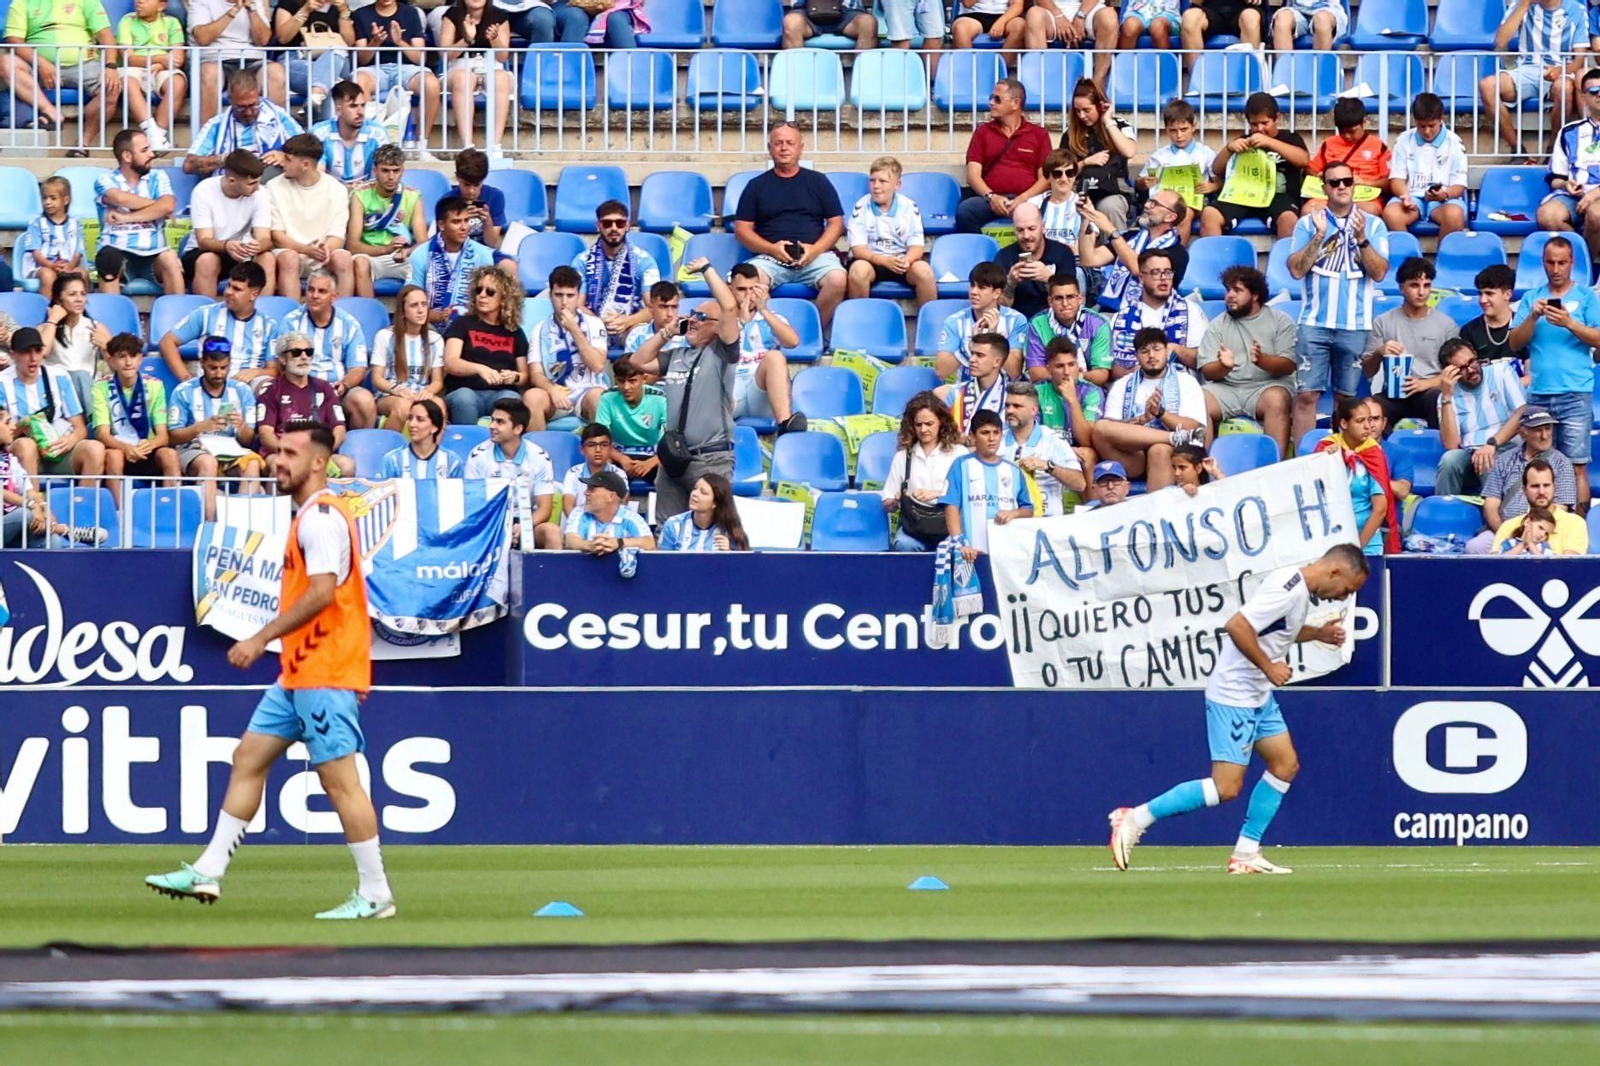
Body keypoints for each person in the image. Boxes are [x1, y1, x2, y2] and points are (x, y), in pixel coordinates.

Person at [145, 420, 396, 921]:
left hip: (324, 670)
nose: (279, 460)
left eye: (291, 453)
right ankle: (208, 870)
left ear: (319, 462)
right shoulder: (310, 514)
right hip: (300, 671)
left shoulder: (320, 518)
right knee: (249, 757)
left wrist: (260, 637)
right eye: (277, 451)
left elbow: (324, 593)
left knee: (340, 783)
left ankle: (375, 894)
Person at [1108, 544, 1369, 876]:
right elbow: (1237, 626)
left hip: (1257, 695)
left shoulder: (1297, 588)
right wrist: (1269, 667)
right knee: (1226, 787)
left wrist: (1317, 633)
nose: (1340, 597)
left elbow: (1277, 630)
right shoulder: (1288, 588)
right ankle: (1134, 817)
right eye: (1346, 589)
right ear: (1335, 571)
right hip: (1235, 694)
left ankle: (1246, 853)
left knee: (1285, 764)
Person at [1286, 159, 1391, 449]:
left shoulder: (1375, 224)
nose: (1342, 187)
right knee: (1307, 395)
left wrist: (1362, 240)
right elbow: (1295, 269)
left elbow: (1380, 272)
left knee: (1347, 400)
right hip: (1315, 321)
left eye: (1347, 181)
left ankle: (1345, 457)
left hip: (1354, 324)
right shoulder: (1308, 223)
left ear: (1354, 183)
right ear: (1325, 187)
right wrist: (1319, 236)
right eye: (1334, 182)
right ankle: (1306, 459)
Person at [630, 261, 743, 521]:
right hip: (674, 459)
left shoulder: (722, 353)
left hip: (711, 458)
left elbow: (729, 306)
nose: (692, 320)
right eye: (692, 314)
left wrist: (707, 269)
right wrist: (666, 333)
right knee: (667, 528)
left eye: (701, 318)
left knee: (712, 529)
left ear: (718, 327)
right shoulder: (677, 355)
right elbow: (637, 362)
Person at [1509, 233, 1600, 510]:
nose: (1556, 269)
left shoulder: (1586, 297)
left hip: (1575, 393)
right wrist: (1533, 317)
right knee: (1540, 469)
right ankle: (1541, 527)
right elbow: (1514, 343)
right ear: (1543, 263)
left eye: (1562, 262)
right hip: (1539, 394)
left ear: (1572, 263)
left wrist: (1570, 323)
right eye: (1550, 262)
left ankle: (1579, 529)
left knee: (1576, 468)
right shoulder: (1532, 298)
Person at [733, 124, 849, 328]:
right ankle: (758, 335)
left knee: (838, 280)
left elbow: (836, 223)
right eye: (778, 143)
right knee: (747, 283)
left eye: (790, 143)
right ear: (770, 148)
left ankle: (811, 332)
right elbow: (742, 230)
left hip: (816, 256)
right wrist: (771, 249)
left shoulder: (818, 182)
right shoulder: (756, 186)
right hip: (770, 259)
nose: (784, 148)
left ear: (800, 148)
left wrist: (815, 250)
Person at [1197, 265, 1296, 458]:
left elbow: (1288, 364)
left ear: (1255, 295)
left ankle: (1274, 467)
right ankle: (1202, 468)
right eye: (1228, 290)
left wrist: (1263, 361)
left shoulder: (1280, 320)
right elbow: (1208, 371)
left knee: (1277, 400)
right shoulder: (1218, 324)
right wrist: (1223, 367)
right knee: (1198, 399)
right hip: (1227, 388)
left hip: (1266, 386)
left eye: (1238, 290)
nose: (1230, 296)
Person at [1093, 328, 1207, 490]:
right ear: (1136, 356)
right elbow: (1111, 431)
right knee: (1100, 427)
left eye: (1157, 349)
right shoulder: (1122, 385)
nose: (1151, 356)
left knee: (1159, 449)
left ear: (1167, 351)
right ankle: (1173, 437)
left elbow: (1195, 431)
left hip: (1172, 456)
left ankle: (1156, 513)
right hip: (1132, 456)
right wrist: (1142, 420)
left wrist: (1161, 413)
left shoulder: (1186, 382)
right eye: (1144, 351)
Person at [2, 0, 121, 150]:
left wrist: (111, 66)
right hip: (37, 66)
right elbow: (13, 40)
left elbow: (106, 35)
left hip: (84, 64)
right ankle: (50, 112)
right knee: (6, 62)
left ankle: (82, 144)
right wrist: (41, 64)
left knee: (112, 87)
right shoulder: (22, 2)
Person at [1360, 257, 1457, 430]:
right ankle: (1376, 454)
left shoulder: (1446, 325)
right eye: (1414, 285)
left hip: (1429, 390)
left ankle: (1439, 451)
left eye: (1426, 285)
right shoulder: (1383, 321)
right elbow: (1368, 370)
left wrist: (1424, 384)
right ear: (1401, 288)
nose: (1421, 292)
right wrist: (1379, 352)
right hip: (1394, 392)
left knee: (1437, 399)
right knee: (1369, 408)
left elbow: (1455, 371)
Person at [1482, 0, 1588, 157]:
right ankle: (1517, 151)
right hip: (1526, 69)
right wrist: (1524, 5)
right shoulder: (1520, 4)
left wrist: (1560, 70)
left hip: (1561, 70)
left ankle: (1553, 149)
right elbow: (1500, 41)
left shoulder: (1576, 9)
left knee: (1564, 88)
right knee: (1487, 85)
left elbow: (1579, 60)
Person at [1199, 92, 1309, 240]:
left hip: (1279, 198)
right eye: (1254, 124)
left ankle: (1284, 262)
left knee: (1289, 219)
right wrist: (1229, 148)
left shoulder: (1290, 138)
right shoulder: (1244, 140)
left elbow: (1303, 160)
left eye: (1265, 123)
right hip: (1243, 196)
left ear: (1277, 118)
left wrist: (1270, 142)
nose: (1259, 129)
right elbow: (1216, 170)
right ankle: (1215, 261)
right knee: (1209, 214)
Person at [0, 327, 107, 480]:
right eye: (26, 352)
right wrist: (22, 426)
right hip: (20, 453)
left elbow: (80, 428)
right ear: (14, 355)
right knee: (27, 445)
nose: (33, 358)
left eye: (37, 351)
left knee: (95, 449)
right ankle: (33, 502)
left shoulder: (59, 376)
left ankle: (82, 502)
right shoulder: (2, 382)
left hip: (58, 447)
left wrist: (71, 440)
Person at [166, 337, 267, 492]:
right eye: (213, 368)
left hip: (231, 450)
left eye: (223, 368)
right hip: (194, 449)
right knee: (208, 463)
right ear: (202, 363)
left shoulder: (242, 391)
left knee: (251, 464)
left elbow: (247, 440)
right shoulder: (184, 390)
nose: (219, 374)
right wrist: (199, 428)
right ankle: (209, 517)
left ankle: (243, 516)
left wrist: (241, 426)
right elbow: (173, 436)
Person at [1469, 411, 1578, 553]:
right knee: (1474, 547)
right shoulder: (1504, 460)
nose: (1544, 436)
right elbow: (1491, 505)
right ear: (1523, 433)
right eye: (1538, 430)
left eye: (1548, 429)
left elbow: (1561, 508)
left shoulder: (1562, 463)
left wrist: (1534, 534)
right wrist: (1508, 535)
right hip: (1503, 531)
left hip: (1544, 534)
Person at [94, 128, 184, 297]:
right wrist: (158, 207)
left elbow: (168, 206)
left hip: (153, 256)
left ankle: (178, 318)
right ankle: (110, 320)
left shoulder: (159, 176)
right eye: (144, 150)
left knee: (170, 258)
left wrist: (125, 217)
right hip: (118, 252)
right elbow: (120, 199)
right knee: (108, 257)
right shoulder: (105, 179)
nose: (152, 154)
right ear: (127, 156)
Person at [941, 408, 1040, 561]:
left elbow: (1028, 509)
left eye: (996, 432)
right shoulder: (961, 465)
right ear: (973, 437)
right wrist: (960, 543)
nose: (992, 438)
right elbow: (951, 506)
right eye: (985, 433)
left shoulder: (1014, 470)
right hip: (971, 552)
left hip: (1006, 554)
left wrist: (1013, 513)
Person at [957, 79, 1053, 234]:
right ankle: (984, 252)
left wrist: (1022, 199)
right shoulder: (983, 132)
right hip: (991, 199)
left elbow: (1045, 179)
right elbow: (973, 175)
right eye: (991, 97)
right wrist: (991, 197)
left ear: (1016, 103)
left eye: (997, 99)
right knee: (965, 212)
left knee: (1050, 210)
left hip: (1028, 199)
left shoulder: (1039, 135)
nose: (991, 103)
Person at [92, 332, 180, 502]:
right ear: (111, 361)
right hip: (120, 448)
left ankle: (171, 512)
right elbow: (102, 434)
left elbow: (163, 436)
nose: (128, 362)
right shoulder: (101, 387)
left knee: (169, 455)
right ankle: (119, 514)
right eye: (121, 357)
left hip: (147, 449)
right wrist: (126, 448)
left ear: (141, 359)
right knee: (113, 457)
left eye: (133, 356)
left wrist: (149, 445)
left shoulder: (155, 385)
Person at [160, 262, 280, 385]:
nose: (228, 292)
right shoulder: (206, 314)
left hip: (249, 386)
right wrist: (186, 379)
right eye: (229, 285)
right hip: (210, 383)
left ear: (254, 294)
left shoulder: (269, 326)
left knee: (267, 386)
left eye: (237, 289)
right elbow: (167, 342)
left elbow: (274, 370)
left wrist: (256, 372)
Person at [1436, 339, 1528, 497]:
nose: (1470, 370)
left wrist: (1491, 444)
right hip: (1469, 452)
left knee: (1487, 460)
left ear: (1476, 356)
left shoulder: (1500, 372)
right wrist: (1446, 396)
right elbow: (1451, 444)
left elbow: (1522, 412)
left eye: (1471, 362)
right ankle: (1444, 513)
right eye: (1461, 369)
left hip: (1505, 446)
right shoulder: (1446, 397)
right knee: (1449, 460)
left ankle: (1495, 517)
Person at [284, 268, 375, 428]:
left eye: (322, 291)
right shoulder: (291, 322)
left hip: (338, 390)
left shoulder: (349, 324)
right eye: (311, 289)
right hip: (300, 387)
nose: (314, 295)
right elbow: (282, 364)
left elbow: (358, 368)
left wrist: (344, 385)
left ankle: (355, 450)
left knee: (364, 400)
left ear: (334, 297)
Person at [267, 133, 356, 297]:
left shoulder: (336, 189)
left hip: (322, 254)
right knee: (289, 259)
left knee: (343, 259)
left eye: (287, 159)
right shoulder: (273, 187)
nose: (282, 163)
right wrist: (305, 249)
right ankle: (291, 316)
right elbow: (277, 236)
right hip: (289, 251)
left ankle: (344, 315)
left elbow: (337, 235)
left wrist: (325, 250)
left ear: (305, 164)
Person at [350, 0, 442, 159]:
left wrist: (399, 42)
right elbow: (361, 59)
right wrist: (375, 42)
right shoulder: (361, 14)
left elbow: (420, 57)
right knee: (358, 81)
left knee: (432, 84)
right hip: (374, 68)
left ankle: (421, 144)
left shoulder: (411, 13)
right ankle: (369, 142)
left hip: (406, 68)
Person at [255, 333, 355, 478]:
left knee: (347, 465)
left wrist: (323, 450)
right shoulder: (270, 389)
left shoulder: (325, 388)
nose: (304, 357)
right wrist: (290, 452)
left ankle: (330, 501)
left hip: (316, 452)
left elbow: (339, 430)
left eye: (308, 352)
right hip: (281, 452)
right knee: (279, 469)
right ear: (283, 358)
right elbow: (265, 434)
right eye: (296, 353)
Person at [881, 391, 968, 552]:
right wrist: (895, 500)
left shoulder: (960, 453)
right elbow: (888, 501)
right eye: (918, 424)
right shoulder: (902, 457)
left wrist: (937, 494)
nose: (923, 429)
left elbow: (970, 495)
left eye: (929, 424)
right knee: (903, 544)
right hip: (914, 529)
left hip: (950, 526)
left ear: (941, 422)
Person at [442, 265, 529, 427]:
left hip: (501, 392)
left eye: (490, 292)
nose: (482, 295)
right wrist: (480, 369)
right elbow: (451, 362)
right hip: (465, 390)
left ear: (504, 297)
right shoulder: (462, 323)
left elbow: (524, 375)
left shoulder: (515, 332)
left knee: (513, 400)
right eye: (478, 290)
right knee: (464, 398)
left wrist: (514, 376)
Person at [462, 398, 555, 549]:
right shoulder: (478, 456)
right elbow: (473, 505)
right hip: (490, 521)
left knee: (552, 532)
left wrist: (524, 526)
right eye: (492, 420)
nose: (492, 426)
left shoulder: (540, 457)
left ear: (518, 429)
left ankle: (553, 573)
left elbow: (545, 508)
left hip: (525, 520)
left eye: (500, 422)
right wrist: (501, 528)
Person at [846, 156, 937, 307]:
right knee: (858, 271)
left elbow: (917, 247)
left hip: (901, 262)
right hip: (871, 262)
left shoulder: (909, 206)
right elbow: (858, 249)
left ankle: (929, 323)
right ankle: (859, 322)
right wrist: (883, 260)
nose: (876, 186)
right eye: (872, 180)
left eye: (882, 181)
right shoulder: (861, 206)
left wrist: (906, 261)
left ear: (897, 185)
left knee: (924, 271)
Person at [0, 406, 97, 548]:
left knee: (51, 541)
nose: (13, 427)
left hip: (10, 527)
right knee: (26, 515)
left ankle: (58, 532)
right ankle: (66, 530)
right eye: (7, 422)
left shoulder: (9, 459)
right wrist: (32, 506)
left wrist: (45, 510)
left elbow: (30, 491)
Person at [1077, 190, 1188, 314]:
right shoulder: (1131, 238)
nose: (1146, 205)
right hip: (1108, 309)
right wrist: (1087, 217)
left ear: (1170, 217)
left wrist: (1111, 230)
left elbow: (1140, 270)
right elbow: (1089, 259)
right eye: (1149, 201)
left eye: (1155, 204)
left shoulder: (1177, 252)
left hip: (1144, 316)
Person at [726, 263, 805, 435]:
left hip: (759, 388)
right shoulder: (719, 318)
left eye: (753, 289)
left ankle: (785, 425)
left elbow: (792, 342)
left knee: (775, 357)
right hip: (732, 386)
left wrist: (764, 310)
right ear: (730, 289)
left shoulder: (772, 318)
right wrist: (741, 323)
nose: (748, 295)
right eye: (741, 289)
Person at [184, 149, 275, 297]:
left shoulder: (261, 193)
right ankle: (206, 316)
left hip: (239, 252)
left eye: (258, 182)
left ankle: (263, 315)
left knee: (267, 258)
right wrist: (226, 245)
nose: (257, 187)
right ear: (232, 180)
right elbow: (204, 241)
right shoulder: (203, 191)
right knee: (208, 260)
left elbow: (265, 238)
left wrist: (258, 246)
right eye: (252, 183)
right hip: (203, 252)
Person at [528, 264, 609, 428]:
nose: (564, 302)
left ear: (578, 296)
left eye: (570, 296)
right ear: (550, 295)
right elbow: (535, 373)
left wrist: (575, 330)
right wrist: (551, 390)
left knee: (599, 397)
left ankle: (600, 451)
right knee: (532, 397)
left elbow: (598, 365)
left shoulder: (594, 324)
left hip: (587, 391)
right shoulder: (539, 330)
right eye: (558, 295)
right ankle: (538, 450)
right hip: (556, 391)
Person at [185, 67, 305, 178]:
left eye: (253, 105)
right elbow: (189, 165)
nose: (248, 113)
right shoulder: (216, 125)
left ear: (259, 95)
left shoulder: (278, 116)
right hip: (233, 181)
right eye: (241, 108)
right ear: (230, 100)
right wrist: (225, 159)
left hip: (273, 178)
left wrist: (283, 156)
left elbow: (307, 150)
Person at [1382, 93, 1470, 240]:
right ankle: (1411, 258)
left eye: (1431, 126)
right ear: (1415, 121)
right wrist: (1405, 197)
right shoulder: (1404, 140)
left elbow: (1459, 185)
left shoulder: (1454, 142)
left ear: (1441, 119)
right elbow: (1397, 180)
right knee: (1391, 214)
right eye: (1421, 126)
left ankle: (1441, 261)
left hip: (1445, 201)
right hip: (1412, 198)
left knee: (1454, 215)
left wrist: (1444, 194)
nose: (1427, 131)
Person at [573, 200, 660, 347]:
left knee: (641, 337)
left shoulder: (644, 261)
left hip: (630, 323)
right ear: (598, 226)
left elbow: (655, 307)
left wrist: (627, 321)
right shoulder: (582, 261)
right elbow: (575, 305)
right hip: (593, 324)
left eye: (619, 223)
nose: (614, 228)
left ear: (627, 226)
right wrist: (598, 322)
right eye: (607, 223)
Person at [186, 0, 287, 126]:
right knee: (210, 72)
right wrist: (233, 11)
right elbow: (203, 38)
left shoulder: (255, 2)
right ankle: (208, 137)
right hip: (214, 58)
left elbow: (264, 40)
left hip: (252, 58)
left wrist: (252, 9)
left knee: (276, 72)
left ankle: (276, 133)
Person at [1316, 396, 1395, 556]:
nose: (1368, 426)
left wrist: (1357, 549)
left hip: (1367, 546)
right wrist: (1326, 461)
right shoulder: (1325, 449)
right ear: (1344, 424)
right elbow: (1314, 494)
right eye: (1360, 421)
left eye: (1370, 420)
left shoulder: (1373, 453)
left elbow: (1380, 509)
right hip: (1329, 542)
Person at [1108, 248, 1209, 374]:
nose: (1164, 278)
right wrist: (1139, 372)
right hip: (1135, 388)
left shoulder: (1191, 311)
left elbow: (1204, 361)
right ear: (1141, 278)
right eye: (1155, 272)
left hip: (1180, 388)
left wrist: (1176, 349)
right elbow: (1111, 368)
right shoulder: (1121, 317)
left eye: (1168, 272)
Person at [347, 144, 427, 298]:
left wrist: (407, 251)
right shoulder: (360, 195)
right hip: (371, 256)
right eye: (385, 171)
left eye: (396, 171)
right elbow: (352, 245)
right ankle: (370, 316)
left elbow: (422, 243)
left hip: (402, 256)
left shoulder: (413, 196)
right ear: (375, 170)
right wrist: (386, 250)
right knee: (359, 263)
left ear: (402, 171)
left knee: (425, 263)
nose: (391, 177)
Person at [438, 0, 514, 161]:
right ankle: (468, 146)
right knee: (463, 78)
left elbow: (502, 56)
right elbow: (445, 55)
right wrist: (466, 39)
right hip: (459, 65)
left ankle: (495, 146)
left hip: (491, 63)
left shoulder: (499, 15)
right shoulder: (452, 15)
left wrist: (494, 39)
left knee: (501, 78)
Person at [408, 196, 500, 326]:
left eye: (466, 220)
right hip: (428, 326)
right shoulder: (420, 254)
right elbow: (410, 300)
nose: (464, 227)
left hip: (470, 327)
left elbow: (488, 301)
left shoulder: (482, 254)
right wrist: (438, 316)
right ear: (441, 225)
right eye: (456, 222)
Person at [1539, 66, 1600, 258]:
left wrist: (1595, 194)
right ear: (1584, 98)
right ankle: (1581, 260)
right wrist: (1566, 184)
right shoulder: (1569, 132)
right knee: (1546, 215)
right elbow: (1555, 178)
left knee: (1596, 214)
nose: (1599, 95)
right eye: (1594, 91)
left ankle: (1584, 264)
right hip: (1574, 196)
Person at [536, 422, 626, 549]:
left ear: (611, 449)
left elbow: (620, 506)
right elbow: (568, 506)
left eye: (604, 445)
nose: (598, 450)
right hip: (576, 531)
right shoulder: (573, 473)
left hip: (609, 534)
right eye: (592, 445)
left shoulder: (619, 474)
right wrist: (584, 529)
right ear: (582, 450)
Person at [1062, 80, 1136, 231]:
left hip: (1113, 193)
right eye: (1077, 111)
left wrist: (1108, 121)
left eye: (1086, 110)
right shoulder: (1070, 134)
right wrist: (1084, 163)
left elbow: (1129, 151)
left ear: (1100, 106)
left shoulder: (1120, 126)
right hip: (1080, 193)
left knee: (1109, 206)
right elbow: (1060, 171)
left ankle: (1117, 252)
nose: (1081, 115)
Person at [1002, 380, 1084, 516]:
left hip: (1046, 523)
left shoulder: (1052, 441)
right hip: (1009, 525)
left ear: (1034, 410)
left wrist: (1048, 466)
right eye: (1007, 406)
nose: (1010, 410)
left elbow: (1079, 483)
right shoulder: (997, 440)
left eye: (1017, 406)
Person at [937, 262, 1029, 381]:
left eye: (982, 287)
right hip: (968, 390)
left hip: (1006, 391)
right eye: (972, 285)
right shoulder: (955, 321)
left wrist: (995, 338)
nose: (974, 292)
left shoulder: (1016, 320)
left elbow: (1015, 372)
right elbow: (941, 371)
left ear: (997, 293)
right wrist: (969, 345)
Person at [370, 284, 444, 430]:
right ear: (403, 311)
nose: (421, 310)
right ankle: (388, 448)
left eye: (424, 304)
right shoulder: (385, 336)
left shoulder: (435, 340)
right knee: (403, 406)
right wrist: (396, 390)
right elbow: (377, 379)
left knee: (439, 406)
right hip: (390, 394)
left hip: (420, 393)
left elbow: (437, 381)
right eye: (414, 305)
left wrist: (428, 392)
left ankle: (432, 451)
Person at [1303, 98, 1391, 216]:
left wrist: (1367, 182)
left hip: (1364, 198)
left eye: (1352, 131)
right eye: (1342, 131)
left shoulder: (1378, 146)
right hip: (1331, 196)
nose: (1347, 136)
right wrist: (1320, 175)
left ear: (1363, 122)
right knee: (1308, 210)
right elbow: (1310, 169)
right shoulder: (1329, 144)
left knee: (1368, 211)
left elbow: (1389, 183)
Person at [38, 273, 109, 417]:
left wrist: (107, 347)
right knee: (77, 375)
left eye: (83, 294)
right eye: (72, 294)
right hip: (56, 392)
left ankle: (96, 422)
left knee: (81, 376)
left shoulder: (95, 327)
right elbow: (41, 353)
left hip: (88, 391)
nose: (79, 299)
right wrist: (53, 320)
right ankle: (98, 424)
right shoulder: (45, 328)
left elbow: (117, 365)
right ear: (58, 299)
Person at [996, 202, 1078, 321]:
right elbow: (998, 309)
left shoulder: (1062, 253)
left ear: (1043, 227)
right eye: (1020, 230)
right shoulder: (1004, 257)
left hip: (1053, 320)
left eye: (1032, 229)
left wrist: (1049, 280)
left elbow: (1070, 304)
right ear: (1014, 230)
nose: (1026, 236)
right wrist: (1010, 284)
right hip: (1017, 321)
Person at [1026, 274, 1112, 387]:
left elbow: (1102, 374)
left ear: (1080, 299)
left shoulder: (1099, 324)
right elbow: (1036, 373)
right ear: (1050, 301)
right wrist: (1072, 376)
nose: (1065, 304)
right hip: (1049, 389)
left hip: (1089, 388)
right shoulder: (1037, 324)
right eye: (1058, 298)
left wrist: (1075, 377)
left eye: (1070, 297)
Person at [274, 0, 356, 115]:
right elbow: (283, 37)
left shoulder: (339, 7)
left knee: (337, 51)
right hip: (298, 60)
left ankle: (315, 97)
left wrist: (343, 12)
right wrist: (305, 10)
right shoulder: (290, 3)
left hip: (337, 62)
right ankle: (317, 97)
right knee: (331, 82)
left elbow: (349, 43)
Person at [563, 470, 655, 570]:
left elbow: (649, 543)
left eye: (592, 489)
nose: (585, 493)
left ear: (611, 496)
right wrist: (591, 546)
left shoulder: (630, 518)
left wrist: (618, 543)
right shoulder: (580, 512)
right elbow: (570, 540)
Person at [1136, 99, 1218, 212]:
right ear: (1166, 130)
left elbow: (1219, 181)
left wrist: (1212, 186)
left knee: (1184, 214)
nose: (1179, 135)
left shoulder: (1206, 153)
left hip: (1193, 203)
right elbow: (1139, 183)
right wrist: (1144, 182)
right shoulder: (1159, 156)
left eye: (1184, 129)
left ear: (1193, 127)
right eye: (1173, 131)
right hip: (1163, 204)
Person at [1489, 461, 1589, 554]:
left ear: (1555, 487)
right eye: (1535, 486)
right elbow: (1495, 566)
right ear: (1524, 490)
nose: (1541, 492)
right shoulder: (1508, 526)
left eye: (1546, 485)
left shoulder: (1575, 523)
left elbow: (1568, 567)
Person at [595, 356, 665, 485]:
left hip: (653, 454)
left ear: (644, 379)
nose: (626, 387)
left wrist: (650, 463)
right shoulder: (607, 398)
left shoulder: (660, 399)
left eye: (632, 381)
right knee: (601, 462)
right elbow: (600, 439)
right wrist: (621, 459)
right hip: (618, 454)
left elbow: (672, 440)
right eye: (621, 381)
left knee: (673, 466)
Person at [1036, 336, 1101, 472]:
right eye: (1060, 366)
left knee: (1088, 455)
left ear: (1078, 366)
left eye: (1071, 365)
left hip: (1078, 449)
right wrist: (1064, 450)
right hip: (1046, 450)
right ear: (1048, 369)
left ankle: (1090, 494)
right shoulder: (1037, 391)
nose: (1067, 372)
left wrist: (1072, 400)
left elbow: (1086, 441)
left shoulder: (1092, 392)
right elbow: (1033, 436)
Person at [310, 80, 390, 186]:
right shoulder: (320, 133)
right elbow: (316, 175)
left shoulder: (378, 133)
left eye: (362, 105)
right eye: (353, 106)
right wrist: (343, 189)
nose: (360, 112)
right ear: (338, 110)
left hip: (367, 193)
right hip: (330, 193)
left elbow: (385, 173)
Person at [20, 177, 85, 300]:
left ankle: (81, 313)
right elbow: (36, 253)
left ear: (66, 200)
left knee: (81, 274)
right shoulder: (36, 223)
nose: (47, 202)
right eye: (44, 198)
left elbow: (78, 253)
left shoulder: (75, 224)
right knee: (48, 275)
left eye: (53, 198)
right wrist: (51, 265)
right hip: (42, 266)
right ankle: (48, 311)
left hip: (67, 265)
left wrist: (70, 266)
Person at [936, 332, 1012, 436]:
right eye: (972, 354)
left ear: (997, 362)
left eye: (980, 355)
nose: (971, 359)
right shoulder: (954, 394)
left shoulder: (1012, 397)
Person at [659, 473, 750, 552]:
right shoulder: (673, 524)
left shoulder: (729, 529)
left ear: (715, 503)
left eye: (703, 492)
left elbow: (743, 567)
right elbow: (661, 562)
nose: (694, 494)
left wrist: (729, 553)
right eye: (695, 488)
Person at [379, 397, 460, 479]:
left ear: (435, 427)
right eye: (410, 418)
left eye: (420, 420)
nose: (412, 424)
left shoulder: (452, 461)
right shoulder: (393, 460)